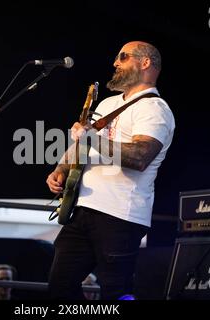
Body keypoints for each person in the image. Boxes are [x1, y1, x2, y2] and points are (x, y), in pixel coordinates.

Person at [46, 41, 175, 299]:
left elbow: (140, 157)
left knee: (115, 293)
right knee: (59, 286)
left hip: (120, 215)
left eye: (123, 57)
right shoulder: (106, 104)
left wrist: (91, 138)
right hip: (82, 210)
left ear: (145, 62)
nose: (115, 62)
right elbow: (80, 146)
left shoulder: (154, 109)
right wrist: (60, 168)